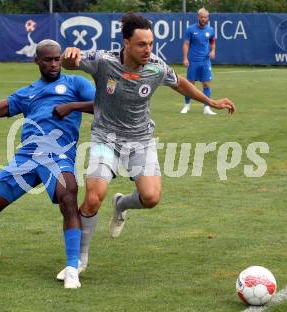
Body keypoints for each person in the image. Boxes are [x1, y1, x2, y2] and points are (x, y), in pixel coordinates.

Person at [56, 13, 235, 280]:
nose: (147, 49)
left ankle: (122, 205)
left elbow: (181, 83)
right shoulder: (104, 61)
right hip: (106, 138)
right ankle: (80, 259)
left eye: (150, 43)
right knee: (93, 197)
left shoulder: (156, 67)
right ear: (126, 43)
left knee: (151, 198)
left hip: (140, 140)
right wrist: (68, 58)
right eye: (141, 44)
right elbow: (72, 63)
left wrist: (210, 102)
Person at [0, 39, 95, 289]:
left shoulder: (75, 83)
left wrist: (72, 106)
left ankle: (72, 267)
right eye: (47, 59)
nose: (54, 64)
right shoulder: (27, 93)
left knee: (68, 198)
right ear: (36, 61)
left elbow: (104, 105)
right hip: (26, 158)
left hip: (58, 156)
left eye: (57, 58)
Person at [180, 8, 217, 115]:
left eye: (205, 17)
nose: (203, 19)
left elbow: (212, 43)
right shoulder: (190, 29)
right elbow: (186, 44)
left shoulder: (210, 30)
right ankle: (187, 105)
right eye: (201, 17)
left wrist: (213, 51)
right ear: (198, 17)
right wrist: (185, 58)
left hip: (205, 62)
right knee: (190, 85)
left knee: (206, 84)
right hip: (193, 61)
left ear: (207, 18)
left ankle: (207, 108)